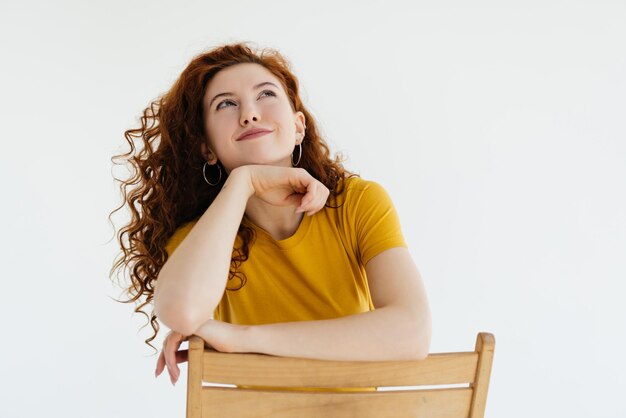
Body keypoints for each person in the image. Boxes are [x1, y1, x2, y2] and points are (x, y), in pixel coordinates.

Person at [110, 42, 432, 389]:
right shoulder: (200, 238)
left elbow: (412, 332)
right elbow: (182, 313)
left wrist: (242, 338)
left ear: (298, 127)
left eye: (265, 95)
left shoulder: (357, 203)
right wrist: (245, 181)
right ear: (208, 148)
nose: (249, 114)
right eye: (226, 104)